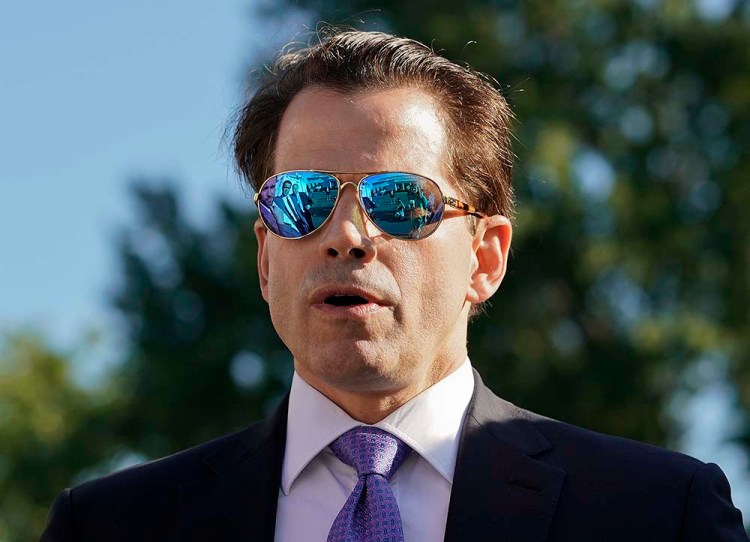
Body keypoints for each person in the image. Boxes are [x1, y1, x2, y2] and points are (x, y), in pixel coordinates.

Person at [41, 30, 747, 542]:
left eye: (400, 201)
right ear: (265, 257)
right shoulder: (108, 527)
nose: (346, 234)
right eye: (303, 199)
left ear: (485, 257)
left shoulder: (657, 514)